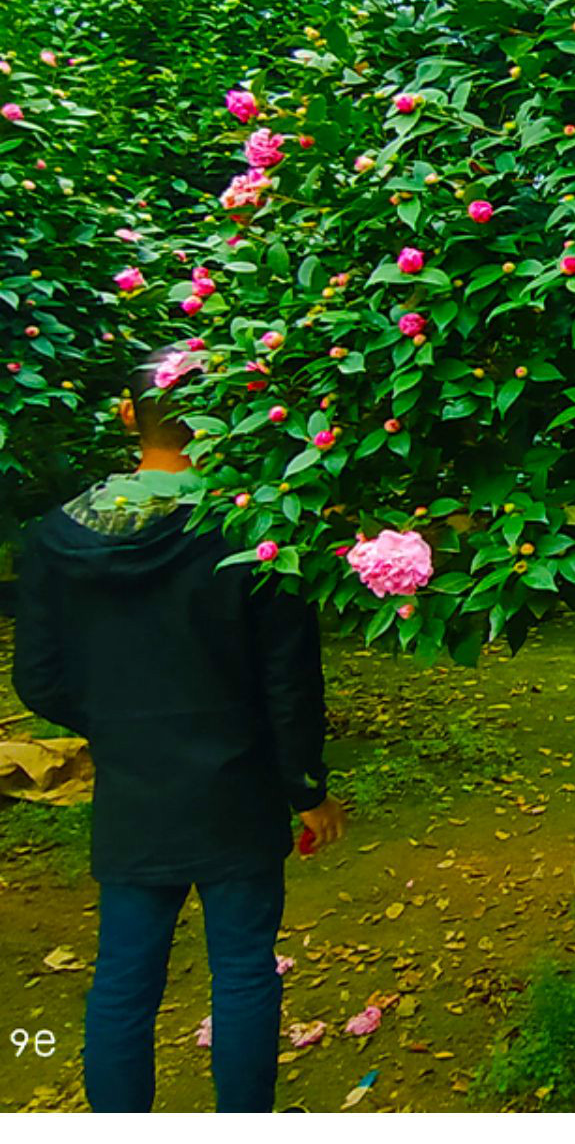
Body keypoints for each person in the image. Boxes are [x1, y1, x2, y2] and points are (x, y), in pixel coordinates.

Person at [12, 348, 346, 1113]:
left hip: (133, 790)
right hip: (236, 784)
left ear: (130, 415)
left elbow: (38, 678)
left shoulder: (53, 539)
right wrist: (306, 787)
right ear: (215, 418)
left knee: (124, 977)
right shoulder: (253, 531)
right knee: (243, 968)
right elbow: (289, 679)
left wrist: (119, 724)